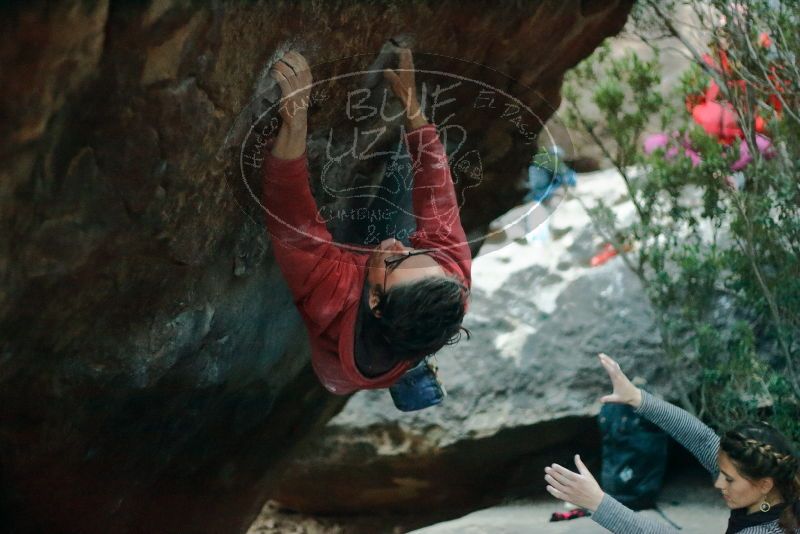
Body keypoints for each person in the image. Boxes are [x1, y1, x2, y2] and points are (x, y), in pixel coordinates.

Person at [262, 50, 471, 396]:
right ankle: (410, 356)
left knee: (346, 242)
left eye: (396, 261)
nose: (399, 246)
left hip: (338, 370)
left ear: (374, 300)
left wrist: (295, 121)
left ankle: (395, 370)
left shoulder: (332, 297)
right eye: (416, 253)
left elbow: (291, 215)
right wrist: (411, 105)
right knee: (410, 164)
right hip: (392, 325)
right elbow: (438, 195)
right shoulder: (449, 279)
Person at [544, 353, 800, 534]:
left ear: (765, 484)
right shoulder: (777, 491)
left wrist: (598, 502)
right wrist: (637, 398)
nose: (718, 483)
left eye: (729, 479)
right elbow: (700, 437)